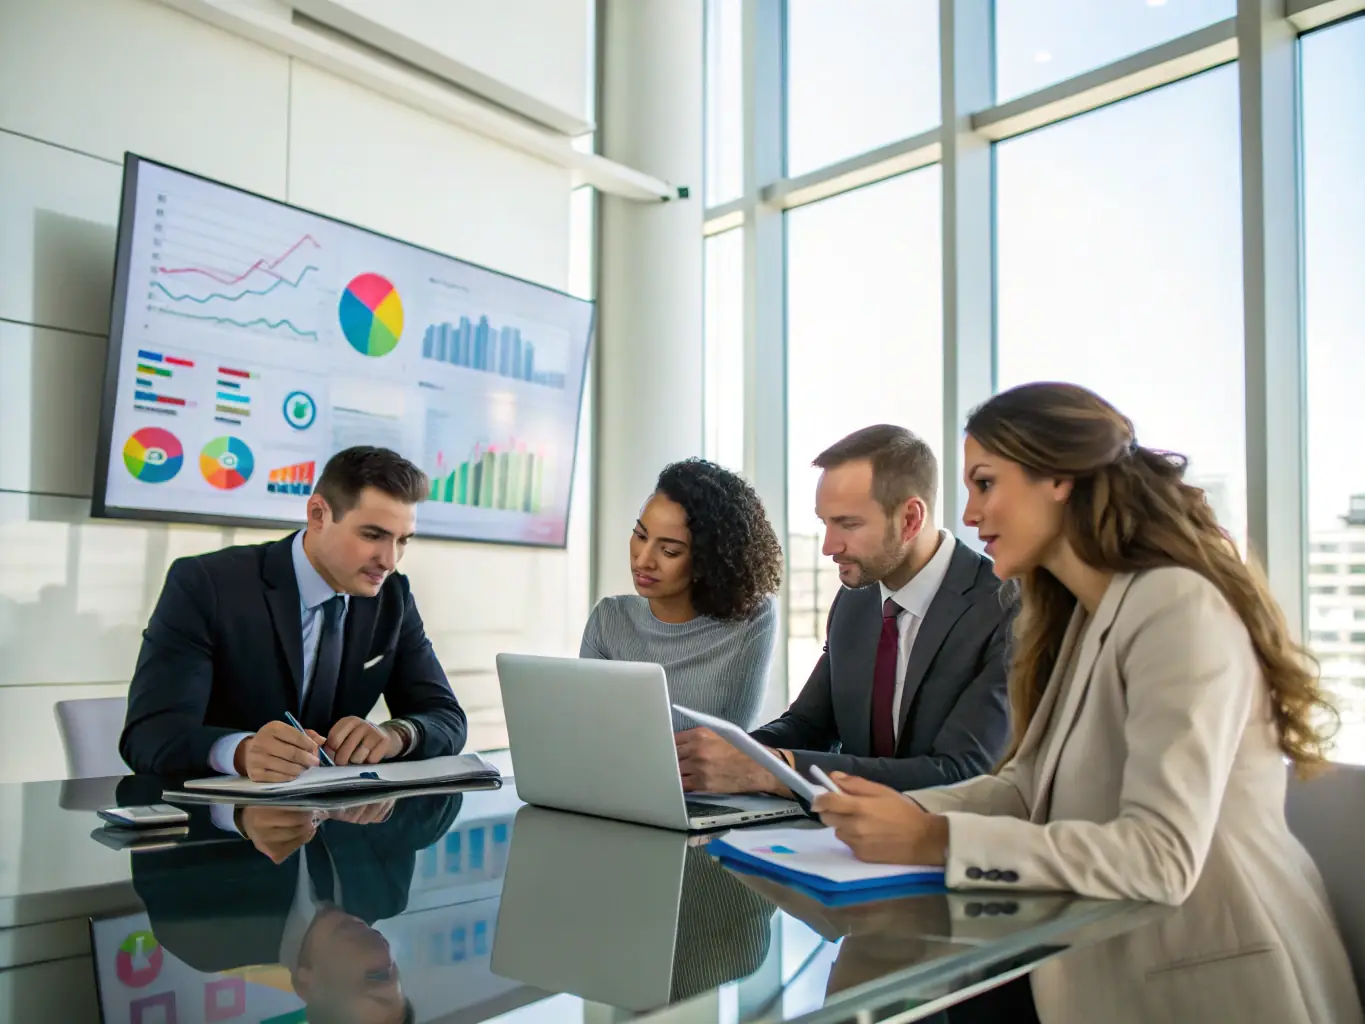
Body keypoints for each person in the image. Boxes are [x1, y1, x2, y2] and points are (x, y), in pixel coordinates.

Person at [811, 383, 1363, 1024]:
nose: (968, 514)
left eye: (986, 484)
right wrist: (889, 814)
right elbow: (1023, 790)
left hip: (1215, 982)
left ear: (1058, 481)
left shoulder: (1175, 605)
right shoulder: (1079, 616)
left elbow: (1161, 858)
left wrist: (936, 837)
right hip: (1107, 968)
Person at [676, 425, 1012, 794]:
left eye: (847, 524)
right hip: (844, 840)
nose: (829, 546)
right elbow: (808, 725)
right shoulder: (856, 600)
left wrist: (768, 769)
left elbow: (960, 773)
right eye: (824, 523)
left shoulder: (1003, 609)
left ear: (910, 520)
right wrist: (729, 754)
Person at [120, 446, 467, 780]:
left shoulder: (393, 597)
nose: (389, 561)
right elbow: (149, 736)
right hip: (224, 825)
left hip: (338, 823)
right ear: (318, 514)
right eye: (373, 535)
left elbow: (446, 717)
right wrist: (240, 752)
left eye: (403, 540)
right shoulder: (208, 585)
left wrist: (397, 735)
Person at [129, 789, 461, 1024]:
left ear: (308, 983)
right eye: (394, 972)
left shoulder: (207, 940)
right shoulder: (385, 893)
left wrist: (236, 813)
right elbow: (445, 796)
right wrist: (389, 786)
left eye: (374, 976)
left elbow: (143, 795)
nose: (388, 954)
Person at [581, 458, 783, 730]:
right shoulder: (609, 618)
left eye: (669, 551)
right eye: (640, 536)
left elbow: (727, 739)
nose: (643, 561)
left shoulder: (752, 617)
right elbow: (586, 726)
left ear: (707, 559)